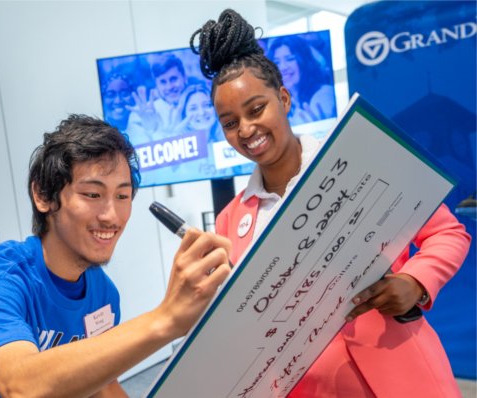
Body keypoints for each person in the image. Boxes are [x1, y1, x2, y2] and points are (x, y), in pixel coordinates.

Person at [191, 9, 471, 397]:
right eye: (230, 122)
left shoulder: (359, 159)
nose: (247, 129)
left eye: (256, 109)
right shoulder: (229, 221)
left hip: (404, 372)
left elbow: (447, 232)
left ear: (284, 99)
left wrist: (415, 281)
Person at [0, 114, 232, 397]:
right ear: (43, 196)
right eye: (92, 194)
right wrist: (165, 319)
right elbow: (21, 386)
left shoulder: (102, 292)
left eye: (122, 196)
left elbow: (101, 386)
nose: (111, 216)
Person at [268, 35, 336, 126]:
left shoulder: (324, 95)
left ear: (304, 61)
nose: (283, 67)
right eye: (277, 62)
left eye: (290, 59)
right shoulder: (288, 102)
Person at [126, 53, 188, 143]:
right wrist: (152, 129)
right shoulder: (138, 115)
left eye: (173, 79)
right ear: (156, 85)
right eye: (163, 82)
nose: (169, 87)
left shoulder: (201, 105)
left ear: (184, 77)